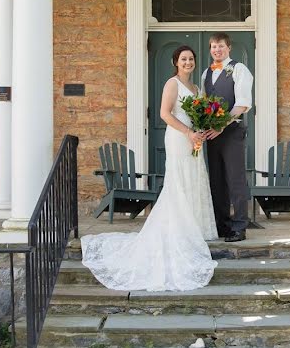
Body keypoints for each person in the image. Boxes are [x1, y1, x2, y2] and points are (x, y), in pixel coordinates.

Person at [80, 45, 218, 291]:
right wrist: (187, 132)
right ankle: (178, 228)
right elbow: (165, 114)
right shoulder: (172, 84)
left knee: (194, 178)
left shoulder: (197, 88)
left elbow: (200, 115)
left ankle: (193, 227)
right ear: (176, 62)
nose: (188, 62)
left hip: (193, 139)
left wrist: (200, 131)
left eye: (191, 59)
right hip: (178, 137)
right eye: (183, 59)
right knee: (179, 179)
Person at [201, 33, 254, 243]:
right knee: (217, 180)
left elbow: (242, 104)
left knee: (235, 179)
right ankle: (222, 225)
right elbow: (205, 103)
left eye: (221, 46)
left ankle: (240, 226)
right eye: (213, 46)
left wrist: (221, 126)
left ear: (229, 48)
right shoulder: (206, 73)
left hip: (231, 132)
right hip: (212, 135)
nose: (217, 50)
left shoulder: (239, 70)